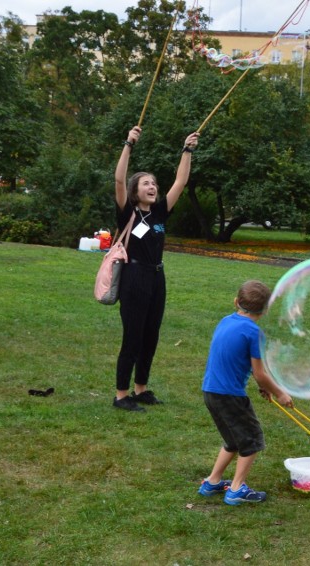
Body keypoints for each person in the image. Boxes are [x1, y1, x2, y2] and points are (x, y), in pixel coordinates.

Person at [112, 125, 199, 412]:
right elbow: (119, 180)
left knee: (151, 334)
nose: (153, 187)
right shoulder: (128, 213)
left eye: (155, 184)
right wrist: (129, 144)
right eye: (146, 183)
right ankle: (121, 395)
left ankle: (141, 389)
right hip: (134, 277)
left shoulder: (160, 212)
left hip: (156, 276)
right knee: (133, 336)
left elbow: (181, 181)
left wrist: (187, 150)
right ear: (136, 190)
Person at [198, 280, 294, 505]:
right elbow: (260, 373)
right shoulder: (255, 333)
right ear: (265, 310)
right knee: (251, 440)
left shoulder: (225, 321)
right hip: (230, 395)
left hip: (211, 391)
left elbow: (237, 357)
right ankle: (236, 489)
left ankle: (212, 482)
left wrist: (262, 387)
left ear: (236, 302)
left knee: (232, 440)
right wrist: (280, 393)